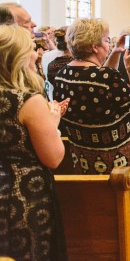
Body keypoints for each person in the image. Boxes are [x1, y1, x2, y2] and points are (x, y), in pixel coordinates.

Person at [0, 25, 68, 260]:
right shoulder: (27, 100)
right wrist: (53, 121)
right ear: (16, 56)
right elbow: (54, 158)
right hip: (25, 194)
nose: (36, 54)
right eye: (31, 49)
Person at [54, 18, 130, 173]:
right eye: (106, 40)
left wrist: (116, 50)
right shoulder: (105, 78)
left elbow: (104, 75)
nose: (108, 45)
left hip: (83, 164)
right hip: (116, 170)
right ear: (95, 47)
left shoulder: (62, 74)